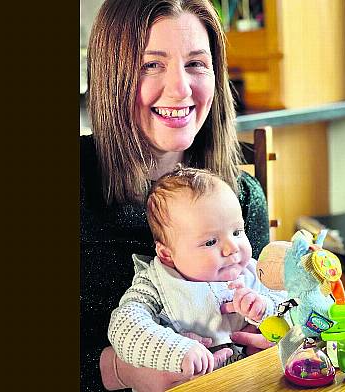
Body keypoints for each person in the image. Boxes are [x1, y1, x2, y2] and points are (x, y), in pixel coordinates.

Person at [81, 0, 273, 390]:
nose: (180, 88)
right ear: (110, 75)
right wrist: (121, 371)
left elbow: (276, 309)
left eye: (196, 63)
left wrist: (272, 340)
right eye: (151, 64)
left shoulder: (243, 198)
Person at [108, 167, 288, 377]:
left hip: (255, 378)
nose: (232, 248)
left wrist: (265, 307)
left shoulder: (254, 272)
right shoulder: (157, 284)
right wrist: (176, 350)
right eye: (210, 241)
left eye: (237, 232)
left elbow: (295, 303)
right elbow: (124, 326)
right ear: (167, 254)